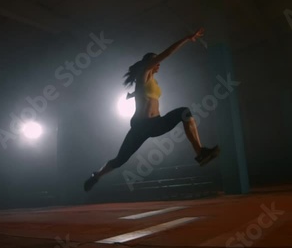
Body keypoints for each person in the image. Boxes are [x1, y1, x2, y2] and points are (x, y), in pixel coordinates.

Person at [84, 28, 220, 192]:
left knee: (185, 113)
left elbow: (144, 92)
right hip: (141, 126)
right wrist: (186, 38)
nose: (159, 63)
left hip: (156, 124)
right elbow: (167, 53)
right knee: (120, 159)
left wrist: (133, 94)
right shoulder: (144, 72)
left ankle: (201, 153)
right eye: (156, 61)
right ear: (148, 63)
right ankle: (96, 175)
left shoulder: (151, 82)